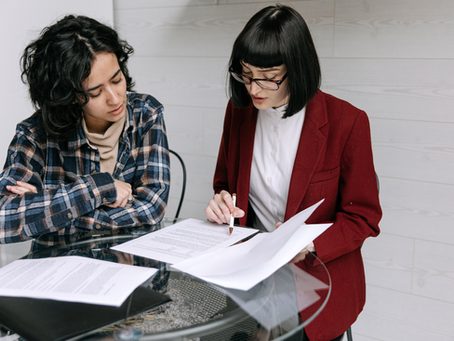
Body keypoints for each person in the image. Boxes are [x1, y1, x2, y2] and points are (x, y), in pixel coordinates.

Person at [205, 4, 381, 341]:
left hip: (316, 280)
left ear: (297, 70)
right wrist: (222, 202)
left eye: (269, 78)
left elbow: (365, 218)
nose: (254, 88)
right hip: (251, 273)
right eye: (245, 73)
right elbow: (225, 183)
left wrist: (308, 242)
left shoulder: (347, 122)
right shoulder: (239, 110)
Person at [0, 15, 170, 244]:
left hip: (130, 263)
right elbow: (3, 220)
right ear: (69, 96)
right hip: (57, 269)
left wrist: (49, 211)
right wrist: (98, 188)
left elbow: (152, 209)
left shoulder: (146, 114)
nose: (114, 98)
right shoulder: (35, 135)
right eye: (96, 92)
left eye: (117, 79)